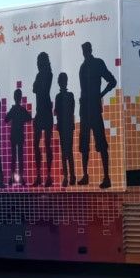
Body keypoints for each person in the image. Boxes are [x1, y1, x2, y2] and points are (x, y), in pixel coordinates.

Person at [77, 41, 117, 188]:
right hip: (85, 110)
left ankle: (107, 177)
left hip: (93, 108)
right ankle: (86, 175)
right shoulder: (83, 67)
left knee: (100, 143)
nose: (85, 52)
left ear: (90, 50)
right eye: (84, 50)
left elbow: (112, 81)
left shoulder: (97, 63)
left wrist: (101, 94)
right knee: (84, 144)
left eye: (86, 50)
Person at [31, 52, 54, 187]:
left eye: (40, 61)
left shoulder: (47, 74)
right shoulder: (40, 75)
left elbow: (40, 89)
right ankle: (40, 176)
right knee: (37, 145)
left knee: (46, 145)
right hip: (40, 113)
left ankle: (48, 176)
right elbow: (35, 89)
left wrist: (37, 85)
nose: (38, 64)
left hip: (45, 113)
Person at [5, 88, 31, 186]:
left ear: (14, 98)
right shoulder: (21, 109)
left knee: (14, 158)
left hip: (14, 135)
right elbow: (29, 118)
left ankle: (12, 179)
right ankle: (21, 178)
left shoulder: (14, 109)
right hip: (20, 135)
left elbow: (6, 119)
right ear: (20, 98)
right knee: (19, 158)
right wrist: (22, 120)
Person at [55, 72, 76, 187]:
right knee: (69, 152)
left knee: (65, 152)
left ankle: (67, 177)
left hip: (64, 127)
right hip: (67, 126)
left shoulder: (59, 97)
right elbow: (72, 110)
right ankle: (71, 176)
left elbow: (56, 111)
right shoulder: (70, 95)